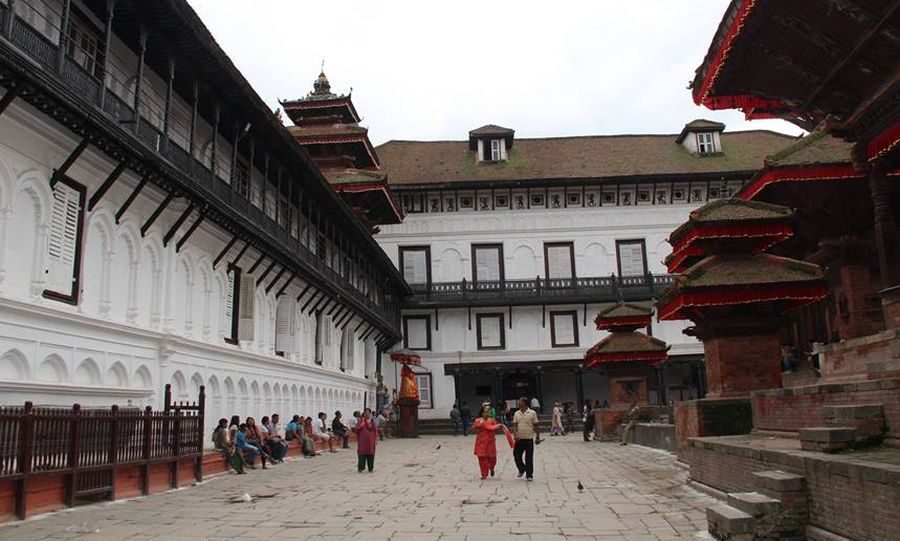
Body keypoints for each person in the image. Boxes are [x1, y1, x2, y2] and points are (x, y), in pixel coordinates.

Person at [472, 405, 510, 479]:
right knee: (482, 458)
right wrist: (478, 427)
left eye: (487, 412)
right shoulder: (478, 421)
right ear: (482, 413)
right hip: (481, 442)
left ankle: (491, 468)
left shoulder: (492, 421)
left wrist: (498, 427)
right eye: (485, 412)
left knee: (492, 459)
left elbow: (496, 430)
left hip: (490, 443)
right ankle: (484, 474)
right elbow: (473, 429)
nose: (486, 413)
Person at [512, 396, 540, 482]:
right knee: (516, 455)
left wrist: (538, 437)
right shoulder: (516, 413)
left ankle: (529, 475)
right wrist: (515, 434)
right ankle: (522, 468)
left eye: (520, 402)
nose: (518, 403)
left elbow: (536, 425)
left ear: (524, 403)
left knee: (529, 458)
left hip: (528, 438)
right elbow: (515, 425)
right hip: (519, 439)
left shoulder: (532, 413)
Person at [353, 407, 378, 473]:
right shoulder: (361, 421)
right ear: (363, 414)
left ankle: (370, 468)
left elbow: (375, 431)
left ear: (370, 414)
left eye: (368, 413)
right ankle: (360, 467)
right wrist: (361, 425)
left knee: (371, 454)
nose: (367, 414)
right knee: (361, 454)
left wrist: (376, 440)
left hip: (371, 441)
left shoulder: (373, 422)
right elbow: (356, 429)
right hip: (362, 441)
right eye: (365, 413)